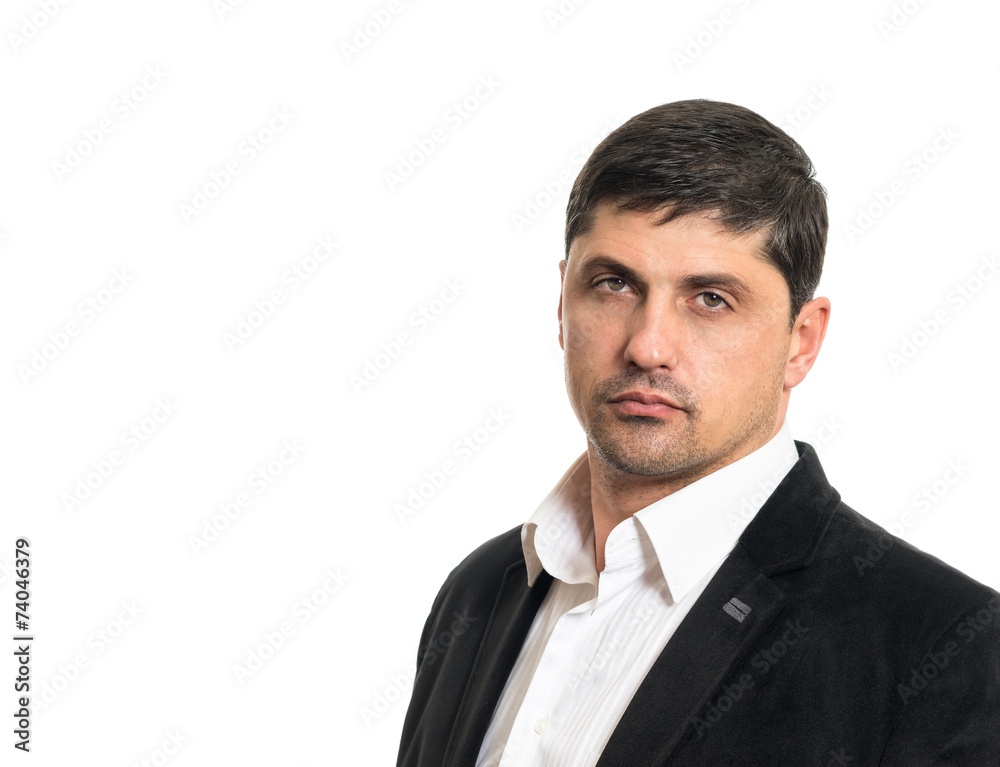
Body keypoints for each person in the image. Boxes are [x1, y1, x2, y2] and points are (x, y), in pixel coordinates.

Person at [395, 100, 1000, 766]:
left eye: (711, 297)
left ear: (802, 341)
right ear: (562, 307)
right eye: (614, 284)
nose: (648, 346)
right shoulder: (478, 593)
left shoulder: (950, 648)